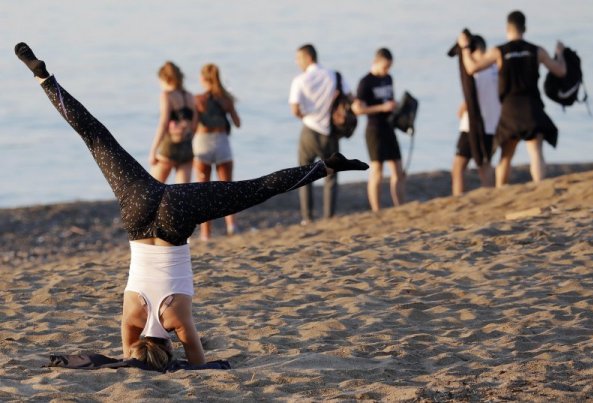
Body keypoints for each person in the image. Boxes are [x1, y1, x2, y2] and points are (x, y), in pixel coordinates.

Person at [15, 42, 369, 371]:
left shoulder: (176, 320)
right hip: (138, 212)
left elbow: (197, 364)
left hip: (176, 214)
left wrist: (178, 360)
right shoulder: (133, 318)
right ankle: (44, 78)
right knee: (96, 137)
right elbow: (127, 357)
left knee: (253, 190)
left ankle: (324, 166)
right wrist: (135, 360)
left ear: (168, 348)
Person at [458, 10, 566, 186]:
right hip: (531, 106)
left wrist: (464, 48)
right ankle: (540, 188)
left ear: (508, 28)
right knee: (536, 151)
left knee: (506, 156)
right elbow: (560, 71)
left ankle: (501, 191)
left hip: (509, 109)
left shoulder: (499, 51)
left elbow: (472, 68)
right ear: (525, 28)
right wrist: (560, 53)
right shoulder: (536, 50)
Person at [289, 44, 351, 225]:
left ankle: (307, 217)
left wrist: (304, 115)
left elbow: (294, 109)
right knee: (331, 175)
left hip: (309, 130)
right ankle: (329, 216)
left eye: (298, 58)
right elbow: (350, 96)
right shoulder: (334, 75)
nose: (297, 62)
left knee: (304, 174)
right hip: (330, 131)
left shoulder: (300, 80)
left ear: (308, 58)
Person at [352, 48, 405, 212]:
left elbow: (389, 100)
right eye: (384, 67)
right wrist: (382, 107)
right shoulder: (365, 82)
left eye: (389, 67)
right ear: (376, 63)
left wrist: (395, 107)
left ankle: (399, 205)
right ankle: (376, 209)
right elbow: (357, 109)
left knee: (398, 168)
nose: (387, 70)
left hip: (389, 127)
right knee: (377, 171)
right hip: (374, 129)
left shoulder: (388, 78)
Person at [193, 63, 241, 241]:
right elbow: (237, 123)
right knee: (227, 187)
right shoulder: (226, 99)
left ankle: (206, 234)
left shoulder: (198, 99)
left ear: (203, 79)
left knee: (203, 190)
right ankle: (232, 226)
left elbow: (193, 125)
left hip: (202, 143)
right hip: (221, 143)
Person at [452, 35, 500, 196]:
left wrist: (461, 109)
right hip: (492, 124)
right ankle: (490, 195)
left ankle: (458, 199)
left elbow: (471, 96)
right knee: (484, 164)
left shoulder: (478, 69)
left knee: (458, 167)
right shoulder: (495, 68)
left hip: (472, 124)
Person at [148, 61, 197, 184]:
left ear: (165, 79)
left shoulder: (167, 95)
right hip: (187, 146)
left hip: (169, 146)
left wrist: (153, 151)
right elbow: (194, 125)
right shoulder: (190, 96)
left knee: (153, 189)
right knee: (183, 194)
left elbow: (163, 123)